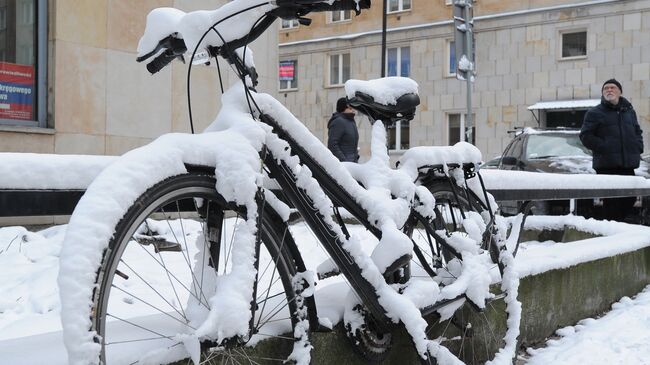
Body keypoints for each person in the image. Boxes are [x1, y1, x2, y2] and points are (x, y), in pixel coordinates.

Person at [580, 78, 644, 222]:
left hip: (627, 165)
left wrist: (638, 146)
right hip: (607, 165)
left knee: (630, 198)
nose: (609, 90)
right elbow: (585, 136)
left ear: (620, 92)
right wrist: (604, 147)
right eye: (606, 88)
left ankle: (620, 228)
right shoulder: (594, 112)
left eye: (612, 88)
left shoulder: (629, 112)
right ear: (603, 93)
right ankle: (612, 231)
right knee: (612, 204)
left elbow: (637, 131)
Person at [327, 97, 359, 162]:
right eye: (350, 107)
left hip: (352, 163)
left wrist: (356, 157)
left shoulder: (351, 121)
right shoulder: (338, 122)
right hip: (344, 165)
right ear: (343, 108)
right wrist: (343, 160)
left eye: (353, 107)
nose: (353, 109)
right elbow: (332, 144)